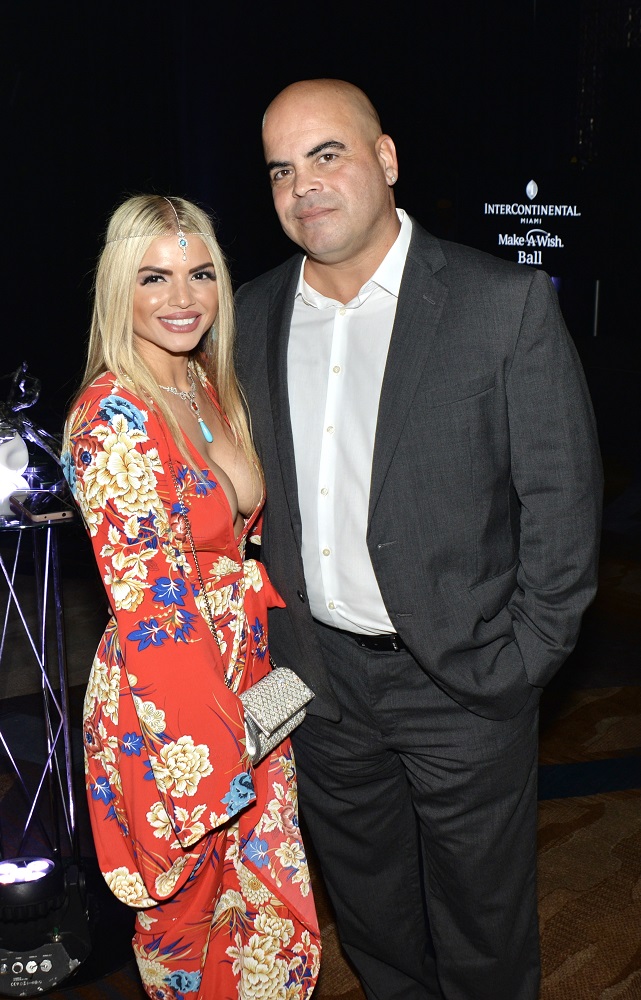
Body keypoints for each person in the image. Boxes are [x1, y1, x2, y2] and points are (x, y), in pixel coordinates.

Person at [234, 79, 603, 1000]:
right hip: (317, 686)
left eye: (328, 155)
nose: (303, 186)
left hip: (465, 682)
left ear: (386, 159)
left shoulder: (499, 303)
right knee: (374, 923)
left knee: (484, 935)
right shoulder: (249, 316)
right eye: (282, 169)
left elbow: (561, 501)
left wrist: (523, 658)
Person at [62, 194, 320, 999]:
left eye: (200, 273)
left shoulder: (209, 387)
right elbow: (151, 604)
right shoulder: (113, 417)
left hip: (241, 687)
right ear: (118, 291)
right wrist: (210, 767)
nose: (183, 298)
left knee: (268, 918)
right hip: (168, 712)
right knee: (191, 930)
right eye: (154, 277)